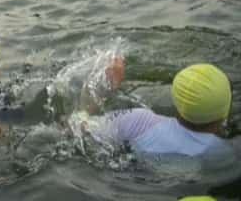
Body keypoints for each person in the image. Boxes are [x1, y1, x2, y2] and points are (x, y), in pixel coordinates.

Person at [96, 63, 234, 161]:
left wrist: (105, 88)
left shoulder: (139, 121)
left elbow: (86, 128)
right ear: (224, 112)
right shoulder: (222, 152)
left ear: (176, 100)